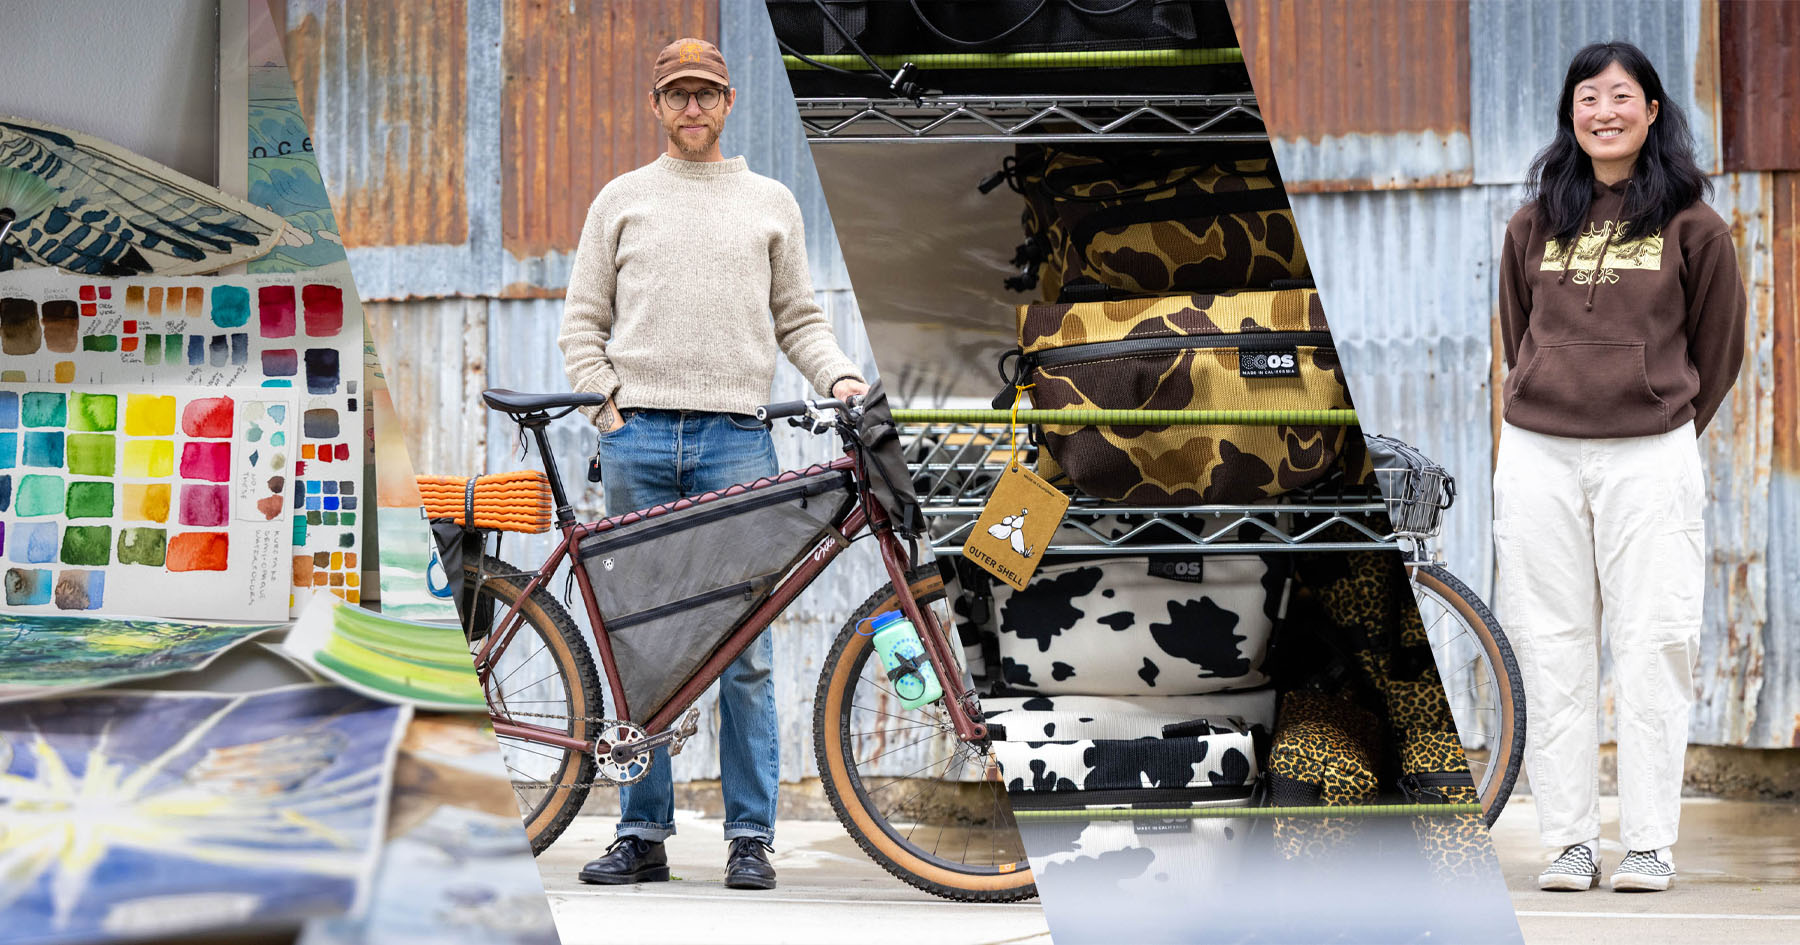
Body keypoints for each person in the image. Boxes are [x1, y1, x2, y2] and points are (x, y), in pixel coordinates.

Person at [557, 36, 869, 891]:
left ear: (729, 103)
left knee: (746, 647)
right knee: (640, 642)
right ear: (656, 106)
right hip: (638, 439)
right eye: (677, 94)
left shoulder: (770, 202)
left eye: (705, 93)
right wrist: (605, 404)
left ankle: (749, 836)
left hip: (738, 439)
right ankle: (642, 832)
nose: (691, 107)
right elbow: (581, 321)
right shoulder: (621, 200)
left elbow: (799, 318)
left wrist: (840, 376)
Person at [1494, 41, 1745, 894]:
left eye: (1621, 96)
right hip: (1539, 455)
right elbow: (1519, 336)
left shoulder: (1696, 227)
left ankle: (1647, 843)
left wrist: (1660, 420)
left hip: (1650, 454)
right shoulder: (1532, 224)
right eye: (1588, 98)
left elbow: (1718, 348)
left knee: (1654, 643)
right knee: (1550, 646)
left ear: (1653, 111)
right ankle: (1568, 839)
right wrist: (1549, 398)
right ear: (1571, 115)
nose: (1604, 112)